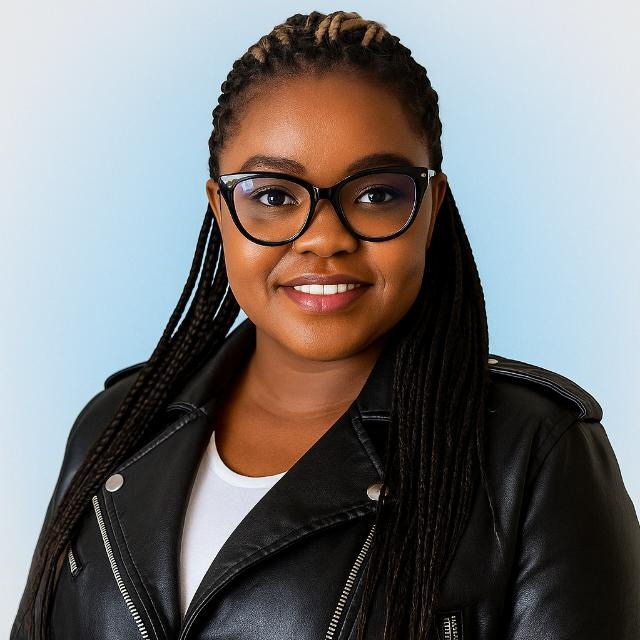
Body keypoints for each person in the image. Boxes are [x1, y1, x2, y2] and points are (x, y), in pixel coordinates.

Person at [10, 9, 640, 640]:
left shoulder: (535, 453)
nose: (325, 239)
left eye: (377, 193)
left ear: (431, 207)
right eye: (274, 195)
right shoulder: (117, 426)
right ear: (220, 210)